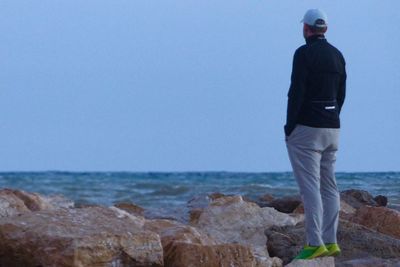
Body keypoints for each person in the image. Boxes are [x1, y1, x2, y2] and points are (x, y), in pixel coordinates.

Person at [284, 9, 346, 260]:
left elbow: (296, 91)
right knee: (330, 186)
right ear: (325, 29)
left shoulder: (303, 53)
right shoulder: (337, 55)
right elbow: (341, 93)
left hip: (307, 128)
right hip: (333, 127)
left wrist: (290, 126)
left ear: (306, 29)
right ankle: (331, 242)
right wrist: (333, 116)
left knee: (310, 188)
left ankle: (314, 242)